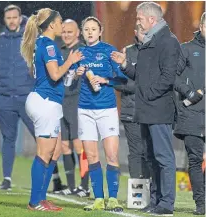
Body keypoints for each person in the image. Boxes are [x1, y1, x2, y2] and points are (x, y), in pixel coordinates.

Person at [111, 2, 180, 216]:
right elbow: (140, 75)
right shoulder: (149, 42)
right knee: (150, 157)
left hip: (158, 109)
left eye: (139, 18)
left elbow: (168, 78)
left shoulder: (168, 42)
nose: (137, 21)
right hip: (145, 110)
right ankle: (157, 200)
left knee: (163, 157)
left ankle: (166, 203)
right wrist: (125, 65)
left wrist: (147, 95)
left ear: (152, 19)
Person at [20, 8, 82, 211]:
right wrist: (70, 62)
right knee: (44, 153)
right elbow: (55, 75)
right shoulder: (49, 45)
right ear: (53, 24)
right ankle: (34, 202)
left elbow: (49, 74)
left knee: (54, 153)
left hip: (48, 101)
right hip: (45, 102)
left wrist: (70, 70)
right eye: (61, 21)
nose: (63, 24)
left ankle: (42, 198)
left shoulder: (42, 43)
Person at [75, 16, 127, 212]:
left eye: (93, 29)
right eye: (86, 29)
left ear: (100, 31)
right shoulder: (78, 53)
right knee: (91, 155)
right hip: (85, 109)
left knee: (112, 154)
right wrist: (75, 73)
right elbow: (68, 82)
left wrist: (105, 80)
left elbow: (122, 79)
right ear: (82, 32)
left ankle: (112, 199)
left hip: (106, 109)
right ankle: (98, 199)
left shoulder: (108, 50)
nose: (89, 32)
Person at [0, 4, 35, 190]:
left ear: (20, 18)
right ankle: (6, 178)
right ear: (4, 20)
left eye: (15, 17)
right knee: (8, 139)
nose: (11, 21)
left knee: (41, 137)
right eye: (8, 18)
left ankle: (54, 176)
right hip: (5, 100)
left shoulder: (29, 38)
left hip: (27, 98)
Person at [53, 19, 90, 197]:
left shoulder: (83, 51)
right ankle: (71, 186)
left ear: (78, 33)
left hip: (77, 102)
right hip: (61, 103)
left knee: (79, 145)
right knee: (65, 145)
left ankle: (85, 186)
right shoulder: (59, 52)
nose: (66, 35)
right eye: (64, 31)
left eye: (70, 32)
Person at [174, 12, 205, 215]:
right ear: (201, 26)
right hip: (192, 113)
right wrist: (190, 93)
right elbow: (172, 77)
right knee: (194, 159)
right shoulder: (186, 49)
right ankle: (201, 204)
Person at [113, 25, 150, 180]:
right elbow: (117, 82)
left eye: (148, 32)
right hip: (131, 111)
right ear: (135, 33)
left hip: (153, 111)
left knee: (151, 151)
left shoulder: (158, 52)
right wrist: (140, 87)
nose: (146, 35)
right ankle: (138, 192)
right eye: (142, 32)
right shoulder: (126, 52)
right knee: (136, 151)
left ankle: (152, 191)